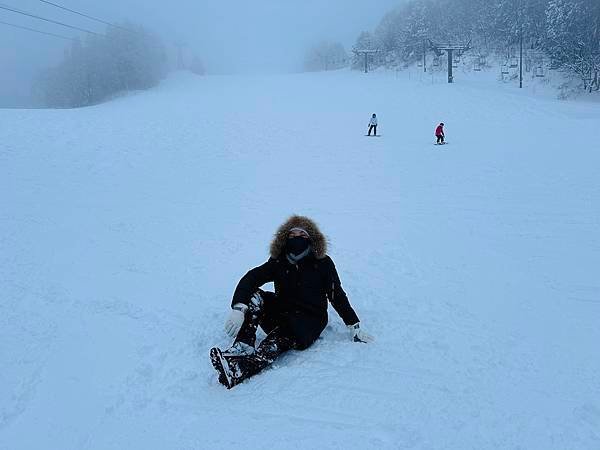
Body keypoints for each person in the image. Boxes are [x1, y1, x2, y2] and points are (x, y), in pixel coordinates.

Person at [210, 215, 374, 389]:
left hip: (309, 321)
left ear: (311, 239)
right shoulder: (279, 261)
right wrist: (239, 307)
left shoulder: (323, 263)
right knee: (255, 295)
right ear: (285, 238)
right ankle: (242, 347)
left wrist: (353, 324)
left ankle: (242, 369)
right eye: (292, 235)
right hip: (283, 312)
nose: (297, 238)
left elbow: (337, 295)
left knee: (278, 338)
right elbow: (252, 278)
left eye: (302, 235)